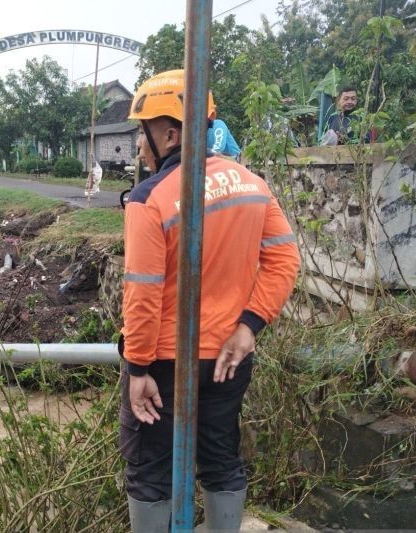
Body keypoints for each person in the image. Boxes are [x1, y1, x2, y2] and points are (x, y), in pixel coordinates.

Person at [120, 69, 301, 532]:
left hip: (163, 363)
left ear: (170, 132)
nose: (139, 146)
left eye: (142, 134)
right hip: (227, 358)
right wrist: (248, 327)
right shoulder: (252, 184)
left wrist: (137, 369)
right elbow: (285, 261)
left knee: (149, 473)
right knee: (220, 458)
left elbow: (142, 292)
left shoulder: (149, 199)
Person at [206, 92, 241, 157]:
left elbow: (218, 149)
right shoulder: (197, 136)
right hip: (214, 162)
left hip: (233, 161)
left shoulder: (218, 125)